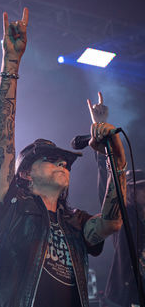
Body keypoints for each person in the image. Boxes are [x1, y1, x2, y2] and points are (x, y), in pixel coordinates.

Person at [0, 8, 127, 307]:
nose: (63, 164)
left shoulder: (75, 222)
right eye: (51, 159)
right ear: (25, 173)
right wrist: (11, 61)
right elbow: (2, 135)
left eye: (66, 163)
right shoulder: (10, 206)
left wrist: (115, 158)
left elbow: (112, 222)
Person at [89, 93, 145, 307]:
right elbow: (109, 191)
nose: (129, 192)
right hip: (122, 299)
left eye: (134, 187)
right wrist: (103, 140)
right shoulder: (126, 219)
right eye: (127, 187)